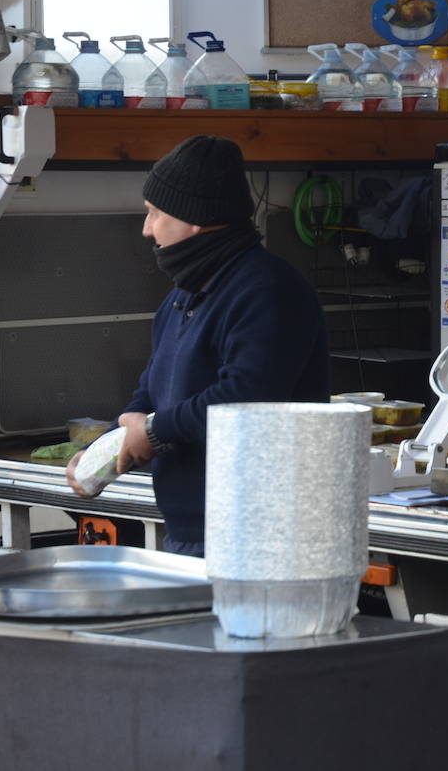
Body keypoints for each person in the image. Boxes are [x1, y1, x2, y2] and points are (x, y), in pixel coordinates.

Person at [66, 135, 329, 556]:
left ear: (194, 219)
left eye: (155, 214)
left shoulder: (268, 290)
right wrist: (110, 444)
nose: (146, 229)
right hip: (191, 531)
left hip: (262, 536)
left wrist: (153, 431)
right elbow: (153, 389)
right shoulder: (182, 297)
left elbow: (246, 399)